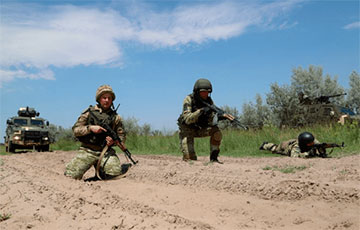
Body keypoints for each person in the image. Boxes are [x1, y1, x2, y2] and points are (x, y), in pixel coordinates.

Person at [64, 85, 129, 180]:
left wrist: (113, 142)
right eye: (104, 98)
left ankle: (101, 171)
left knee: (114, 174)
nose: (107, 100)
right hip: (88, 150)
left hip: (105, 152)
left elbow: (121, 136)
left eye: (109, 98)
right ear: (99, 99)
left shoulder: (116, 118)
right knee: (71, 176)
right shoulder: (89, 113)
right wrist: (90, 128)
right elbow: (76, 130)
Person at [177, 78, 235, 163]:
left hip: (201, 129)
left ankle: (214, 158)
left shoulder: (209, 101)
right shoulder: (189, 99)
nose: (205, 94)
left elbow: (212, 118)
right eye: (203, 92)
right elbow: (187, 119)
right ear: (197, 91)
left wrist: (221, 116)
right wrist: (200, 111)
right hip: (188, 131)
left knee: (216, 132)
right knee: (190, 160)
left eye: (208, 92)